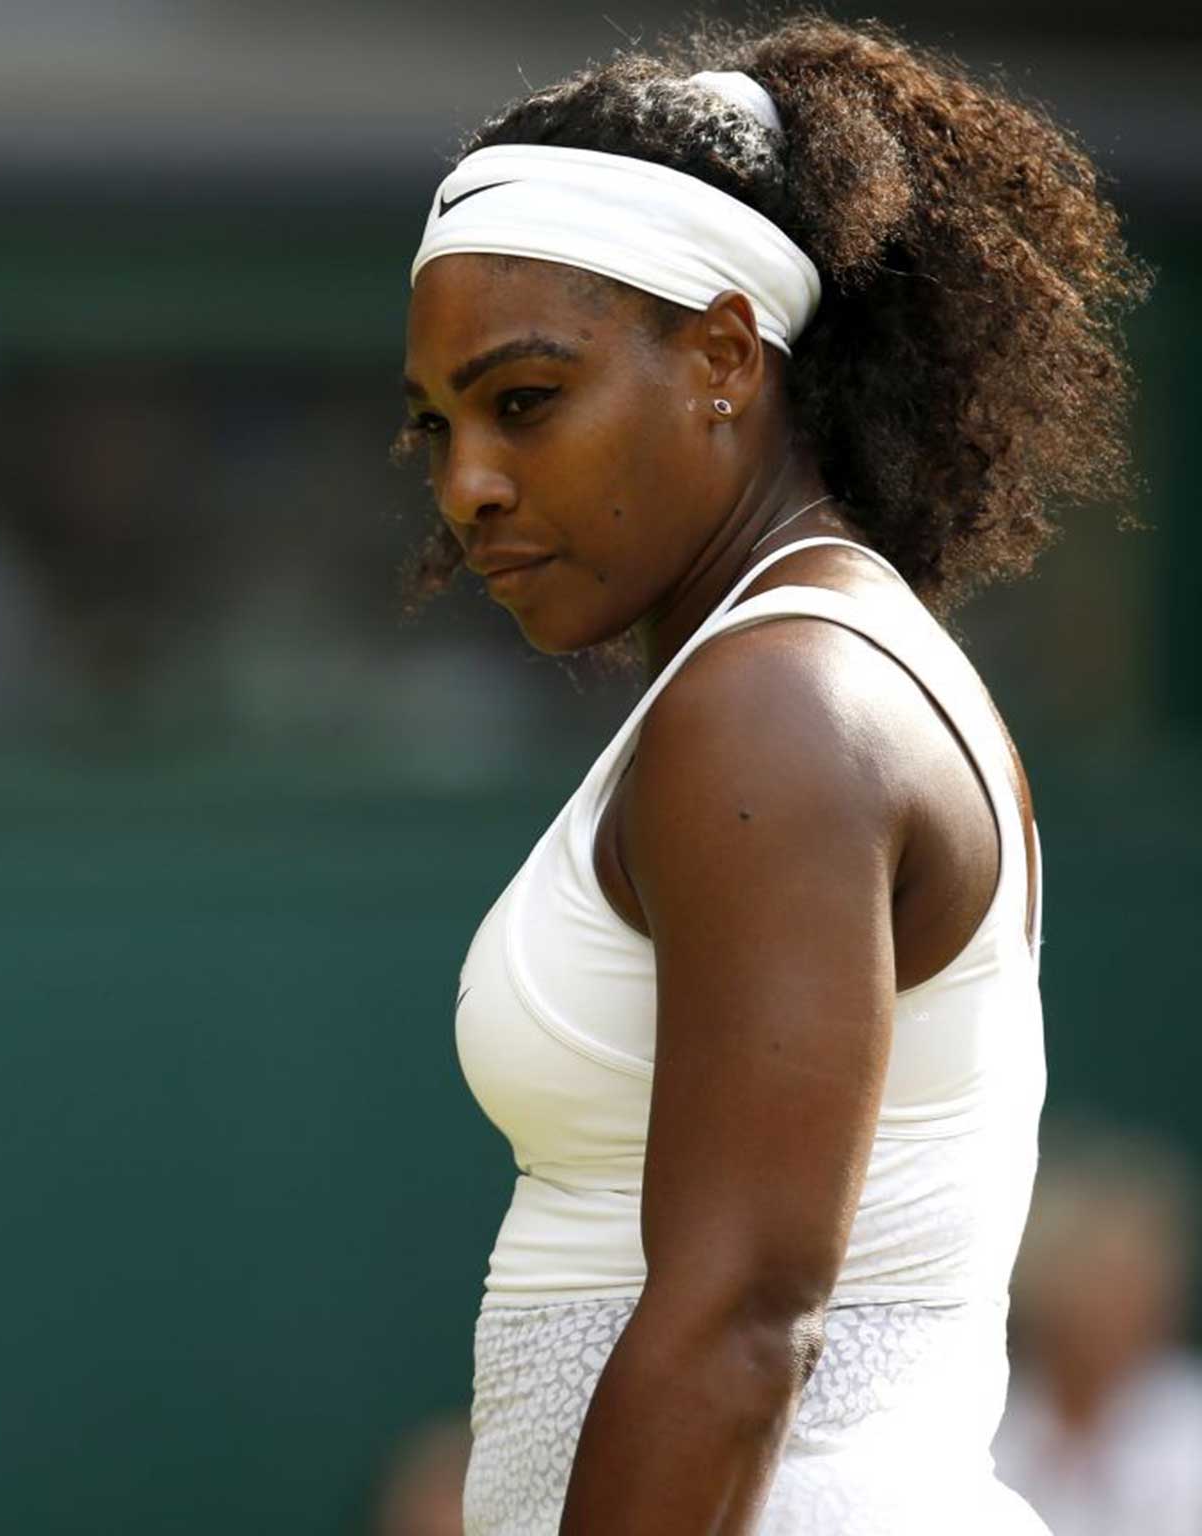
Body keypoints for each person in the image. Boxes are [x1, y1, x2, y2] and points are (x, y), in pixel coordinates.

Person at [394, 15, 1151, 1534]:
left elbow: (742, 1323)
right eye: (439, 425)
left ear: (728, 354)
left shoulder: (779, 704)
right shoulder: (789, 671)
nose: (469, 481)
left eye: (524, 400)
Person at [992, 1132, 1202, 1534]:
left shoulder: (1191, 1426)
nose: (1106, 1309)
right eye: (1090, 1279)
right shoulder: (985, 1425)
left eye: (1128, 1283)